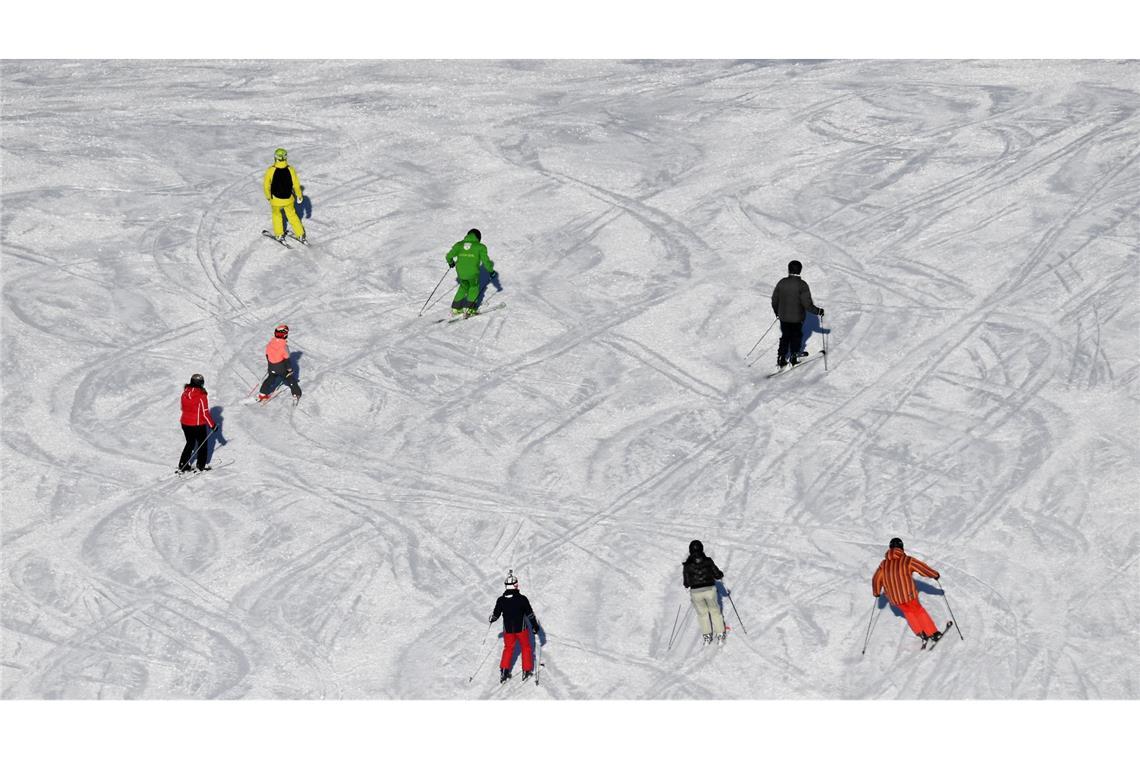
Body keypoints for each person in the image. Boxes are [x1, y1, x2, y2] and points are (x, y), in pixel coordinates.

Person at [871, 537, 944, 645]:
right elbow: (922, 568)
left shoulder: (883, 565)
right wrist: (934, 575)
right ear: (901, 548)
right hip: (908, 595)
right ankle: (933, 633)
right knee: (918, 611)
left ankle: (921, 633)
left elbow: (876, 579)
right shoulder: (907, 560)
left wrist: (876, 592)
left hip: (895, 598)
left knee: (908, 612)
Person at [489, 570, 541, 683]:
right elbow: (530, 614)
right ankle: (526, 670)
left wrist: (492, 618)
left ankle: (504, 671)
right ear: (514, 585)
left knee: (508, 648)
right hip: (521, 629)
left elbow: (496, 615)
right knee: (526, 647)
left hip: (508, 630)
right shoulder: (522, 599)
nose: (518, 585)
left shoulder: (501, 600)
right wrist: (535, 626)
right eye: (516, 584)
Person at [771, 259, 824, 368]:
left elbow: (774, 300)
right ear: (800, 270)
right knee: (796, 336)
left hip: (783, 317)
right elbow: (807, 304)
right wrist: (818, 311)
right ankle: (794, 357)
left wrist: (777, 312)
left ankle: (781, 357)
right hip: (797, 318)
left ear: (789, 269)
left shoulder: (782, 282)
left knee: (785, 336)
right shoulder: (802, 285)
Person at [682, 540, 727, 645]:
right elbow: (717, 575)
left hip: (696, 593)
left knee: (702, 614)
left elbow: (686, 583)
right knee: (715, 611)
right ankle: (720, 635)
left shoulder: (687, 565)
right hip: (710, 590)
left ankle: (707, 637)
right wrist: (720, 575)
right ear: (702, 548)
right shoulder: (708, 561)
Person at [445, 228, 496, 316]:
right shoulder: (480, 247)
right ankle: (470, 309)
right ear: (478, 237)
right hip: (473, 274)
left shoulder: (459, 244)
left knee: (463, 287)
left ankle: (455, 308)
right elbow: (486, 262)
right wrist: (491, 272)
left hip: (460, 273)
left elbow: (448, 256)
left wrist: (451, 263)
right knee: (474, 288)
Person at [263, 148, 306, 243]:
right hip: (288, 199)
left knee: (277, 215)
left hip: (276, 200)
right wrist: (299, 195)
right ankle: (300, 234)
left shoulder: (270, 170)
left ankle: (279, 235)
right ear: (285, 158)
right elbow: (296, 185)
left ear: (275, 158)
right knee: (292, 215)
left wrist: (268, 196)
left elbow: (266, 185)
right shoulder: (291, 169)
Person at [179, 373, 216, 472]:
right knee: (202, 444)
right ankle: (201, 465)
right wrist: (212, 425)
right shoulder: (201, 396)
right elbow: (205, 413)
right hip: (197, 424)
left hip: (185, 423)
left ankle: (183, 464)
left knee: (190, 443)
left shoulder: (185, 393)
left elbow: (182, 408)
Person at [258, 323, 302, 403]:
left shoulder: (270, 344)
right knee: (289, 378)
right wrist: (289, 369)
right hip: (281, 368)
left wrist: (271, 365)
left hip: (271, 366)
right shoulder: (284, 346)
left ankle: (262, 393)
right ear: (285, 335)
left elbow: (267, 355)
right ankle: (296, 393)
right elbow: (286, 359)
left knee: (270, 378)